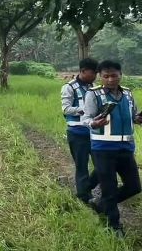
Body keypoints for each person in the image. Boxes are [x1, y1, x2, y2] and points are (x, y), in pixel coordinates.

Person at [82, 60, 142, 235]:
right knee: (109, 187)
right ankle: (114, 225)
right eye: (105, 76)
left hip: (126, 148)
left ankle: (101, 204)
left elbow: (132, 117)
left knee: (134, 187)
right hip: (103, 149)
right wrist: (94, 122)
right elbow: (86, 119)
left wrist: (138, 119)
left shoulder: (129, 94)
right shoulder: (93, 94)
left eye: (114, 75)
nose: (110, 80)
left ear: (120, 75)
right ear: (100, 77)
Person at [61, 58, 99, 203]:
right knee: (81, 166)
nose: (95, 76)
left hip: (94, 132)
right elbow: (66, 109)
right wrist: (85, 110)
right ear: (83, 71)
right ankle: (84, 197)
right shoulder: (69, 87)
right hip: (77, 133)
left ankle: (85, 189)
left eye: (96, 73)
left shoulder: (94, 87)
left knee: (101, 165)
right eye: (93, 72)